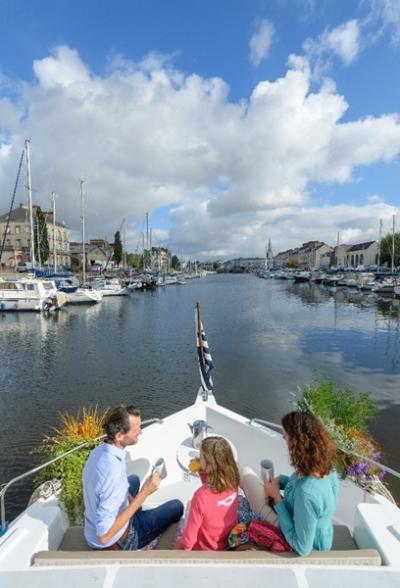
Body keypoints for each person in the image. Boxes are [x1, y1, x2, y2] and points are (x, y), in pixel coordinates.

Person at [83, 404, 184, 550]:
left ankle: (135, 511)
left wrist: (129, 499)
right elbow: (104, 536)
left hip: (91, 528)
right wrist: (144, 493)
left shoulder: (99, 452)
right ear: (119, 436)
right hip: (119, 541)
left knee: (134, 479)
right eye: (136, 429)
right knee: (176, 506)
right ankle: (139, 531)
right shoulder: (113, 474)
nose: (141, 431)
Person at [240, 411, 338, 556]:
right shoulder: (325, 468)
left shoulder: (307, 493)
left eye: (286, 438)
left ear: (297, 445)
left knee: (244, 474)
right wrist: (281, 481)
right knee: (246, 475)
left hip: (297, 538)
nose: (284, 441)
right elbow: (305, 490)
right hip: (319, 532)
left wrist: (277, 499)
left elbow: (302, 547)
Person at [177, 436, 239, 550]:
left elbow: (188, 542)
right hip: (225, 543)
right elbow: (215, 500)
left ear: (210, 465)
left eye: (200, 458)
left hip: (204, 549)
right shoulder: (234, 482)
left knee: (189, 506)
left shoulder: (200, 496)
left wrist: (178, 548)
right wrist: (203, 471)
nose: (198, 460)